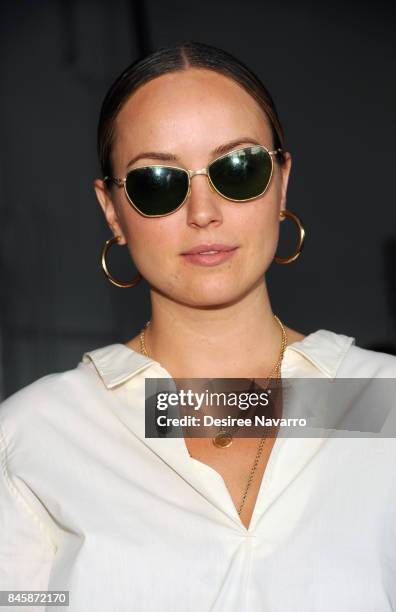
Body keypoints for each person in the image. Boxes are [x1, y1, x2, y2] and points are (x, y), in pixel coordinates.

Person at [1, 41, 395, 612]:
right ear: (112, 209)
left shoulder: (375, 403)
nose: (203, 211)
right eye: (157, 181)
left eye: (239, 168)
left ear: (282, 181)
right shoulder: (35, 440)